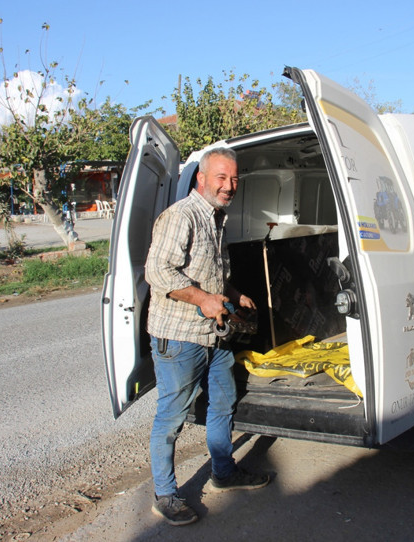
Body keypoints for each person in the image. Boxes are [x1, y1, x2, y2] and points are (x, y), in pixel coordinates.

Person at [144, 147, 269, 526]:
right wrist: (202, 299)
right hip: (179, 336)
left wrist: (232, 295)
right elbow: (158, 272)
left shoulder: (216, 218)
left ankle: (223, 472)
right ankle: (165, 494)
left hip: (213, 336)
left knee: (223, 401)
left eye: (233, 179)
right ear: (201, 178)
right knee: (172, 417)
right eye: (221, 177)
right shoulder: (181, 216)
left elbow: (212, 274)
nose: (229, 186)